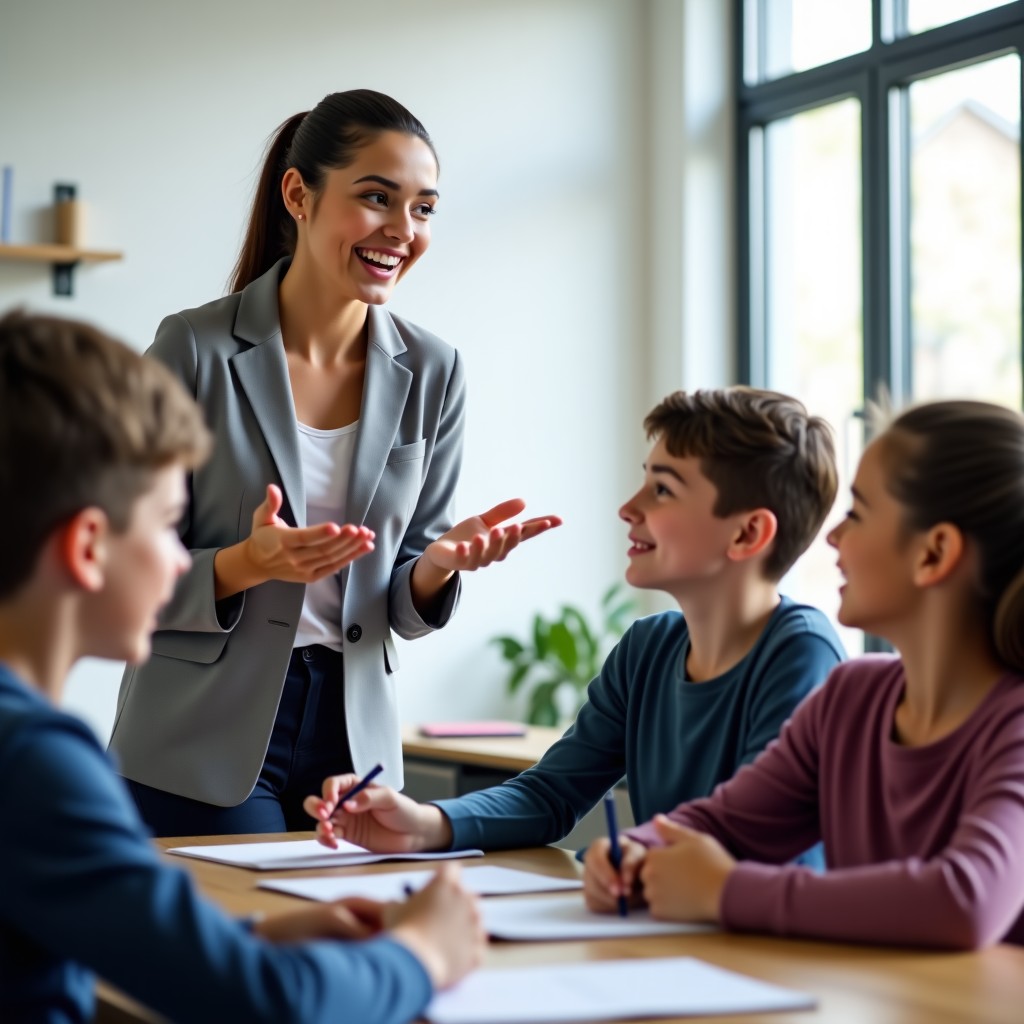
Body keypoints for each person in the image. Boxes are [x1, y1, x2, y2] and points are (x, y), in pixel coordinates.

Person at [0, 310, 485, 1024]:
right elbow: (265, 1005)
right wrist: (421, 953)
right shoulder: (35, 764)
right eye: (169, 525)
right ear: (87, 547)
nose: (180, 560)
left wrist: (256, 936)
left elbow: (113, 933)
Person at [107, 89, 561, 836]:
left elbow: (400, 598)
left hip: (354, 743)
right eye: (377, 198)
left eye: (424, 209)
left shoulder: (435, 369)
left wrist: (437, 566)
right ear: (299, 194)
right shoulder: (193, 350)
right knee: (243, 948)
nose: (402, 230)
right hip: (199, 737)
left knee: (344, 939)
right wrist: (246, 564)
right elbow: (124, 570)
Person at [304, 388, 844, 859]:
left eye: (663, 490)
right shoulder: (647, 649)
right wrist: (423, 825)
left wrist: (623, 856)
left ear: (748, 534)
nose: (628, 509)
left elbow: (745, 834)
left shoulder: (801, 654)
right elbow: (551, 796)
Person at [582, 399, 1024, 950]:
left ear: (933, 553)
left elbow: (966, 901)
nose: (833, 537)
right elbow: (722, 822)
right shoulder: (850, 699)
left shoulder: (1014, 728)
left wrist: (726, 891)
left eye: (858, 513)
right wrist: (639, 851)